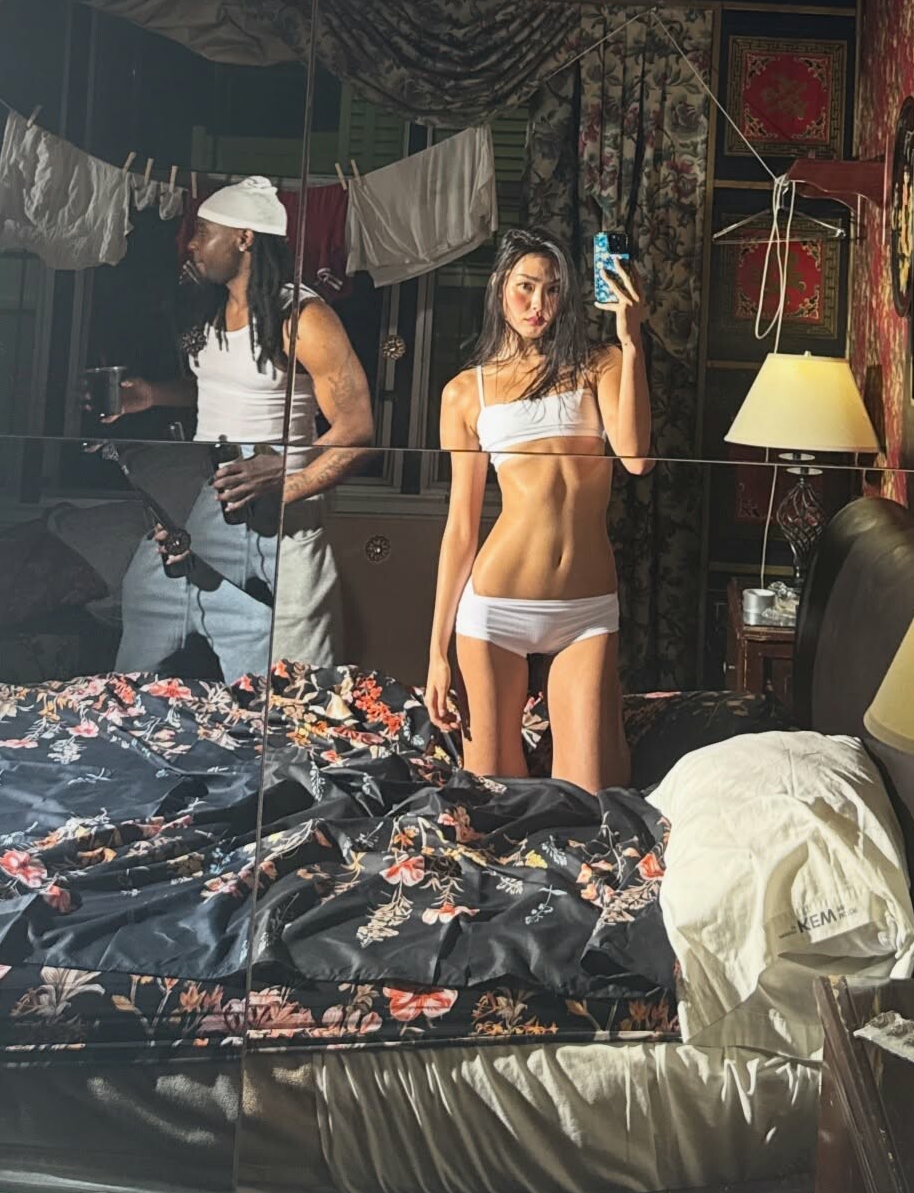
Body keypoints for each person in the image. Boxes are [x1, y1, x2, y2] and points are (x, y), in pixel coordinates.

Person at [108, 176, 374, 680]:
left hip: (286, 508)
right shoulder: (209, 310)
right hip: (214, 497)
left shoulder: (303, 316)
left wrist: (286, 472)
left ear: (244, 238)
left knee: (298, 668)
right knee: (154, 607)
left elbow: (358, 429)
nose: (191, 244)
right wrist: (152, 395)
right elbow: (219, 387)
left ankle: (287, 725)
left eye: (202, 232)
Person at [425, 228, 651, 794]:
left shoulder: (600, 365)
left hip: (586, 611)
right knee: (495, 801)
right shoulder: (466, 392)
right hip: (495, 611)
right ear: (500, 287)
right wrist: (436, 651)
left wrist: (632, 340)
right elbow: (460, 528)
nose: (538, 305)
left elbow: (637, 459)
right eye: (525, 287)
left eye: (552, 291)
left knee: (591, 800)